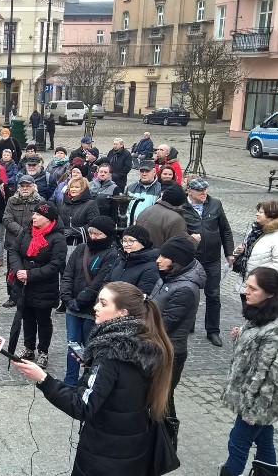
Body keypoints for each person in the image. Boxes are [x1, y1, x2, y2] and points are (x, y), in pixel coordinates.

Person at [12, 281, 174, 476]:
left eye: (104, 304)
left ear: (122, 313)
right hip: (134, 448)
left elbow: (82, 406)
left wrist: (43, 379)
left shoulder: (110, 354)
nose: (95, 307)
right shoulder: (148, 342)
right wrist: (92, 369)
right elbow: (123, 385)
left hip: (104, 456)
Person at [218, 267, 278, 476]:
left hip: (259, 401)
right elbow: (258, 336)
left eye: (252, 288)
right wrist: (242, 333)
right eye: (246, 285)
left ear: (269, 293)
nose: (245, 291)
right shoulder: (264, 313)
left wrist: (253, 410)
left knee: (237, 443)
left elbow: (271, 377)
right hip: (254, 398)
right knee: (264, 438)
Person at [149, 236, 205, 421]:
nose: (158, 259)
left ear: (178, 261)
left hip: (170, 352)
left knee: (163, 401)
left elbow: (166, 325)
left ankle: (167, 442)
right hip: (157, 346)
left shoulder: (185, 289)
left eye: (164, 256)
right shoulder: (168, 277)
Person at [59, 216, 119, 386]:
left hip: (91, 310)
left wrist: (80, 300)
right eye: (91, 233)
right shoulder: (80, 249)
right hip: (72, 307)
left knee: (89, 346)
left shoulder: (111, 254)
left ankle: (87, 380)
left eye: (97, 234)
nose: (93, 237)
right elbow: (68, 273)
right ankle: (70, 380)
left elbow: (99, 282)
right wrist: (66, 297)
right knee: (72, 344)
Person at [7, 202, 67, 368]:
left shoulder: (58, 238)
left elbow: (56, 264)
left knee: (43, 319)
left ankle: (43, 351)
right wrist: (19, 270)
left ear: (48, 219)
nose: (33, 216)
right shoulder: (27, 231)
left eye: (38, 215)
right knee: (27, 317)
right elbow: (14, 251)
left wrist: (30, 274)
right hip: (24, 284)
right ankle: (28, 348)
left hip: (44, 286)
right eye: (34, 213)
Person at [181, 178, 235, 346]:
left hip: (212, 259)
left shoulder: (215, 204)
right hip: (192, 259)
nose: (204, 193)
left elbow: (225, 230)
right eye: (199, 191)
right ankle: (188, 324)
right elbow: (178, 232)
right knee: (189, 293)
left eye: (205, 190)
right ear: (189, 191)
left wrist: (229, 253)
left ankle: (213, 331)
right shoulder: (182, 208)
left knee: (213, 295)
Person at [233, 200, 278, 302]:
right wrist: (238, 251)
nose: (257, 214)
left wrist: (258, 275)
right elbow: (248, 252)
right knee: (248, 315)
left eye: (261, 212)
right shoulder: (256, 230)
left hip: (263, 288)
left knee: (260, 316)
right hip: (247, 284)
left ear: (270, 215)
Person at [2, 175, 43, 307]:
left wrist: (29, 233)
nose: (25, 188)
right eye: (22, 186)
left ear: (33, 186)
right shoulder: (11, 200)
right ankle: (12, 297)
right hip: (13, 242)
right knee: (12, 271)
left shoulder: (40, 201)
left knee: (30, 269)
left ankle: (29, 296)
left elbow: (43, 220)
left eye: (28, 185)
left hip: (33, 243)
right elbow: (7, 219)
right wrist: (22, 232)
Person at [107, 225, 160, 295]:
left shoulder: (151, 267)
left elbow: (141, 296)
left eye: (131, 241)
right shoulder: (120, 260)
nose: (126, 244)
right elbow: (106, 283)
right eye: (124, 240)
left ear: (143, 243)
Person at [135, 184, 190, 249]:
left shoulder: (146, 210)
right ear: (179, 203)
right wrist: (194, 240)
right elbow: (181, 246)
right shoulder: (175, 219)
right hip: (160, 257)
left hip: (141, 256)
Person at [54, 176, 100, 247]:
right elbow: (56, 220)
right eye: (72, 187)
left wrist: (74, 231)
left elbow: (93, 224)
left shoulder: (91, 204)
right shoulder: (61, 203)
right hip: (61, 242)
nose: (73, 189)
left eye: (77, 187)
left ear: (83, 189)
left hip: (81, 244)